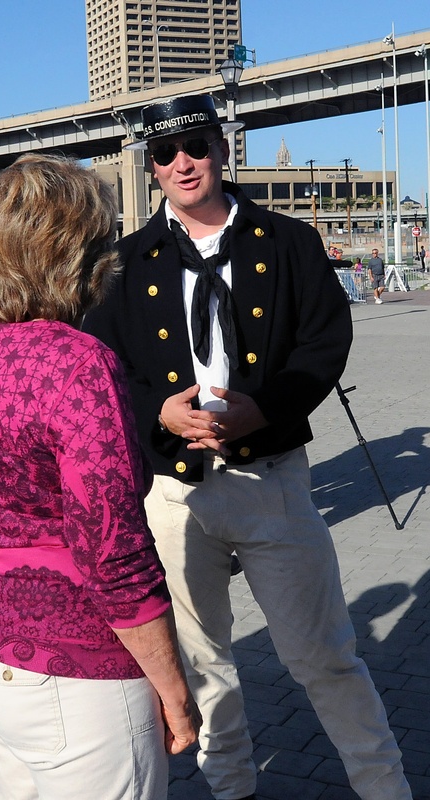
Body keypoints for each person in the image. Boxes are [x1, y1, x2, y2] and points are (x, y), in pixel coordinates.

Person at [83, 94, 412, 800]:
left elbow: (326, 342)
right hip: (175, 489)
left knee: (326, 655)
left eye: (195, 146)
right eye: (165, 154)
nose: (182, 164)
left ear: (222, 149)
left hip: (273, 482)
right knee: (203, 664)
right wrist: (159, 413)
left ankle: (385, 788)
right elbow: (106, 364)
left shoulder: (286, 241)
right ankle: (232, 790)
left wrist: (263, 409)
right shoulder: (125, 262)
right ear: (151, 167)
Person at [0, 153, 199, 799]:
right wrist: (172, 686)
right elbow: (113, 552)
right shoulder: (80, 364)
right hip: (73, 672)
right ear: (83, 252)